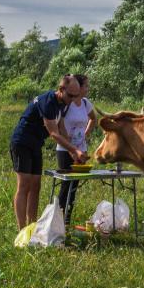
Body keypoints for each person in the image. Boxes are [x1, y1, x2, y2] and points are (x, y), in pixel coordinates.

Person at [9, 75, 87, 230]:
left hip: (36, 144)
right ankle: (22, 230)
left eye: (75, 96)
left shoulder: (64, 103)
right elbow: (53, 133)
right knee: (24, 184)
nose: (72, 99)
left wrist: (72, 151)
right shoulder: (48, 102)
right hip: (22, 142)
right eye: (70, 96)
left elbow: (62, 128)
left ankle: (32, 226)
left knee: (36, 185)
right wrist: (74, 150)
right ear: (61, 89)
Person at [55, 74, 97, 225]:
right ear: (78, 87)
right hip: (64, 149)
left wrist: (86, 134)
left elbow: (94, 119)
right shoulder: (67, 103)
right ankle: (57, 221)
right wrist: (69, 146)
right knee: (66, 184)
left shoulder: (86, 103)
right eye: (85, 85)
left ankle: (66, 221)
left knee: (74, 186)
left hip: (81, 150)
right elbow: (58, 123)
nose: (87, 89)